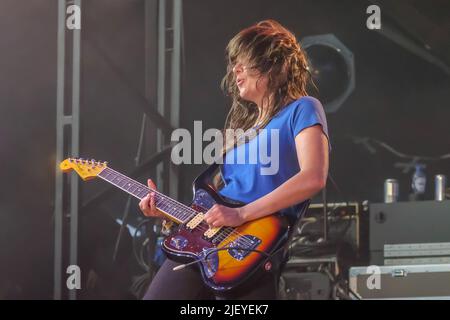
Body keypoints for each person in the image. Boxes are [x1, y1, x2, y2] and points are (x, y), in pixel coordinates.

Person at [139, 19, 330, 300]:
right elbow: (217, 204)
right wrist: (166, 215)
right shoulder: (238, 134)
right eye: (234, 64)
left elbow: (313, 177)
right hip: (205, 245)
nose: (235, 70)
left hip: (253, 249)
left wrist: (240, 214)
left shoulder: (302, 108)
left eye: (244, 62)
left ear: (272, 64)